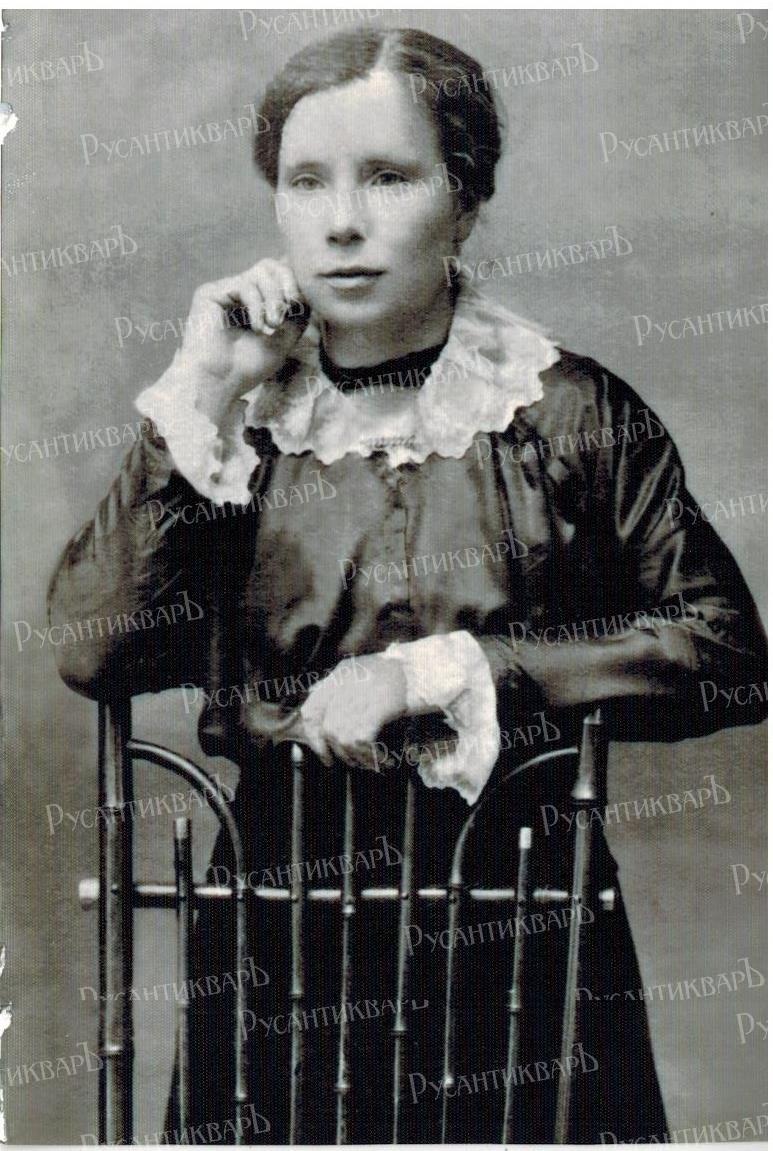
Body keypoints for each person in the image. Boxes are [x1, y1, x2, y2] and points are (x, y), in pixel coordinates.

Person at [49, 26, 766, 1145]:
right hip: (279, 938)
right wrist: (202, 388)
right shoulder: (239, 427)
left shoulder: (566, 412)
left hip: (519, 932)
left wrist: (442, 671)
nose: (340, 222)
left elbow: (725, 651)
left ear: (464, 199)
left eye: (387, 177)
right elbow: (96, 649)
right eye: (306, 182)